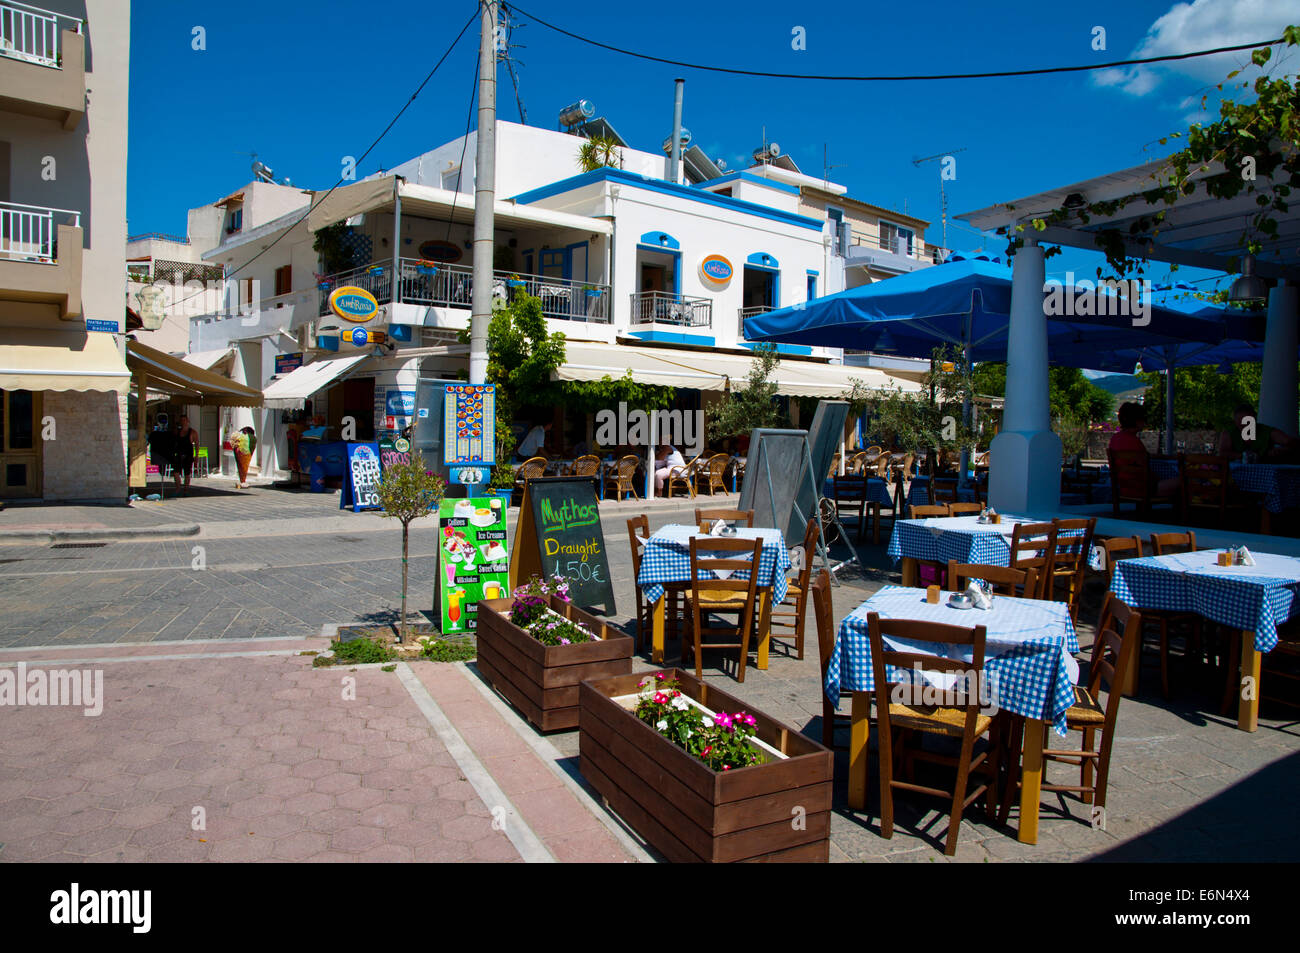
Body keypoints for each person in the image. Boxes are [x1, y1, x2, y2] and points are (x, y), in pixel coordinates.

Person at [1109, 402, 1180, 497]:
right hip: (1142, 490)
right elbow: (1147, 471)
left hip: (1124, 488)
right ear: (1137, 421)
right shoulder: (1134, 442)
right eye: (1143, 419)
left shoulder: (1115, 439)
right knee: (1184, 481)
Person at [1216, 403, 1296, 461]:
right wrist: (1244, 456)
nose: (1244, 426)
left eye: (1248, 422)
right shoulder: (1229, 433)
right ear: (1235, 421)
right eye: (1240, 423)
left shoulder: (1266, 431)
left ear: (1254, 419)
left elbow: (1290, 442)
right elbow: (1222, 453)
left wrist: (1282, 451)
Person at [173, 415, 198, 495]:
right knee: (176, 472)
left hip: (188, 455)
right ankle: (178, 488)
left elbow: (197, 444)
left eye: (184, 420)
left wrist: (196, 456)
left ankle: (186, 489)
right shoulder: (177, 431)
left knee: (187, 473)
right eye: (182, 420)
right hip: (178, 454)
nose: (183, 422)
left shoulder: (192, 432)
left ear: (188, 421)